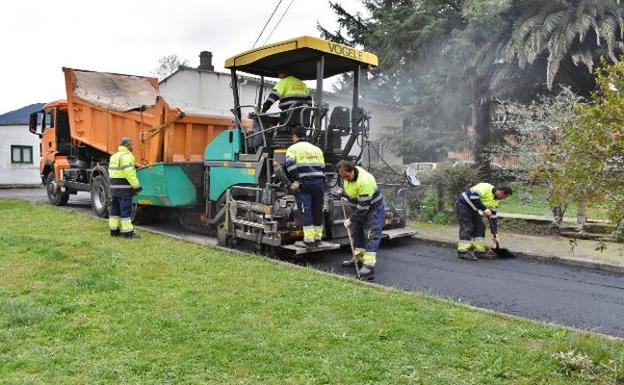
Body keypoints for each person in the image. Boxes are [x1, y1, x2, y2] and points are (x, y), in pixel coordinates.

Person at [336, 160, 384, 280]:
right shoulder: (347, 175)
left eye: (347, 176)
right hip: (360, 206)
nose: (345, 179)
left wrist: (350, 220)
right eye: (343, 177)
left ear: (352, 171)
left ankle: (368, 267)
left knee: (371, 234)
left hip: (373, 208)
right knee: (357, 232)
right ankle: (359, 259)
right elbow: (351, 192)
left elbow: (364, 207)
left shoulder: (365, 181)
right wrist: (344, 193)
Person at [284, 126, 326, 247]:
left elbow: (290, 165)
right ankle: (318, 237)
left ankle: (308, 240)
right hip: (318, 184)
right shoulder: (317, 149)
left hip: (304, 184)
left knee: (305, 209)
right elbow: (323, 167)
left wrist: (296, 179)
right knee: (317, 209)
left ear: (294, 136)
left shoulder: (292, 148)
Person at [456, 182, 513, 260]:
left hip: (474, 209)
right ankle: (463, 252)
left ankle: (479, 251)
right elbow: (474, 197)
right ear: (501, 192)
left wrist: (494, 234)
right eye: (505, 197)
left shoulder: (496, 200)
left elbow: (493, 217)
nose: (504, 199)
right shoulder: (485, 187)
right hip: (463, 205)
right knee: (467, 227)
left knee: (481, 227)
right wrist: (485, 209)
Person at [108, 137, 142, 238]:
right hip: (124, 188)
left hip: (114, 187)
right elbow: (129, 173)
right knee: (126, 210)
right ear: (127, 146)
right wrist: (137, 186)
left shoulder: (114, 156)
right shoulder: (127, 156)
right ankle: (127, 233)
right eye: (132, 144)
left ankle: (113, 231)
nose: (133, 146)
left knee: (114, 210)